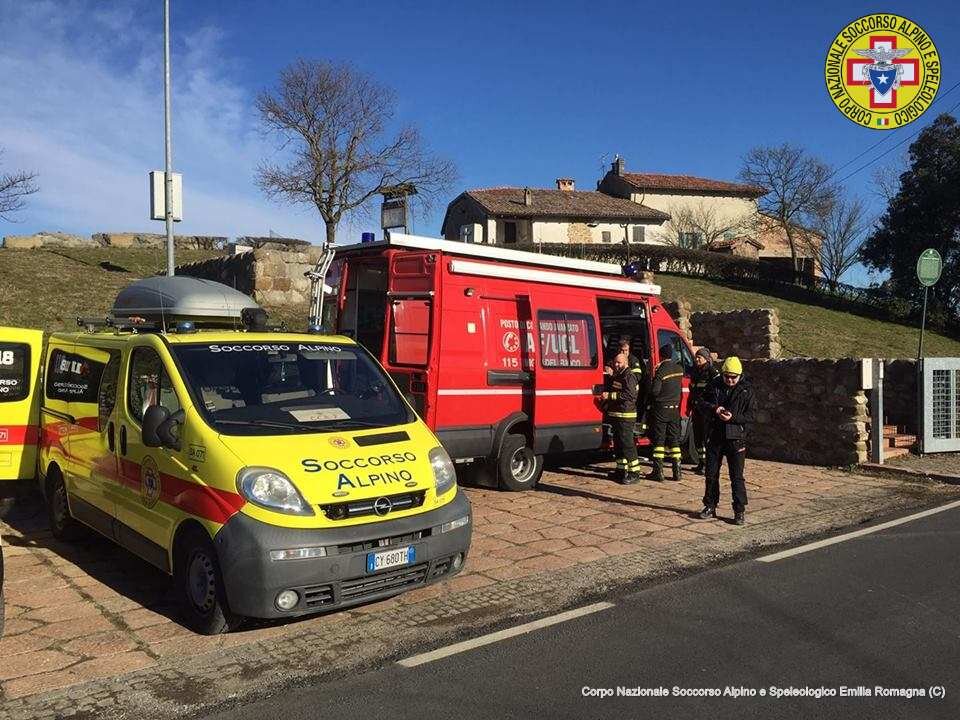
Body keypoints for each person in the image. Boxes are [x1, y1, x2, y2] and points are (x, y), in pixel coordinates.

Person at [696, 356, 755, 526]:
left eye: (733, 377)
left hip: (736, 439)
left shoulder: (747, 390)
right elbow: (701, 402)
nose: (729, 380)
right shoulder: (714, 385)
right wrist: (715, 409)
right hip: (715, 435)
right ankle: (710, 505)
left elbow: (751, 415)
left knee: (736, 477)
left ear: (739, 375)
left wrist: (733, 417)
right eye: (727, 376)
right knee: (711, 474)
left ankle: (739, 510)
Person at [602, 353, 642, 484]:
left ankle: (634, 472)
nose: (616, 364)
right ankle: (621, 470)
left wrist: (610, 396)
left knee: (627, 444)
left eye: (619, 362)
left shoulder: (629, 376)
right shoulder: (618, 375)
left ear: (625, 362)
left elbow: (629, 395)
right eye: (615, 362)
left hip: (626, 415)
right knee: (618, 444)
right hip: (617, 415)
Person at [647, 343, 684, 482]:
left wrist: (654, 376)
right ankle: (677, 472)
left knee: (659, 441)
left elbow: (655, 391)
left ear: (661, 355)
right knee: (674, 441)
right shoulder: (679, 368)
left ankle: (658, 472)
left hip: (661, 409)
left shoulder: (661, 370)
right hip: (675, 409)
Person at [689, 347, 719, 475]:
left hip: (707, 411)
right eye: (696, 357)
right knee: (698, 438)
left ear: (706, 359)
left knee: (707, 438)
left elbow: (716, 391)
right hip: (697, 409)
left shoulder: (712, 372)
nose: (697, 359)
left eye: (699, 357)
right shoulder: (697, 371)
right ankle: (701, 462)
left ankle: (708, 464)